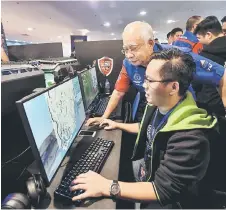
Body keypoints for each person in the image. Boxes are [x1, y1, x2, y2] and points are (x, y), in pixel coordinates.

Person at [71, 49, 225, 208]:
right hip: (150, 172)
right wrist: (117, 124)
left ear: (173, 87)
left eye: (150, 81)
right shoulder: (164, 105)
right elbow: (150, 128)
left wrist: (107, 186)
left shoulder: (190, 138)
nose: (144, 85)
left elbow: (162, 190)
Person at [86, 21, 226, 126]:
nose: (129, 55)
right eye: (125, 49)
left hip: (181, 119)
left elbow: (222, 75)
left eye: (133, 48)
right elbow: (118, 92)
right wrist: (104, 117)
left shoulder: (177, 57)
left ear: (151, 43)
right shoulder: (128, 64)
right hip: (154, 118)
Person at [193, 16, 226, 115]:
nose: (199, 42)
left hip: (213, 110)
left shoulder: (205, 57)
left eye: (199, 38)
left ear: (208, 35)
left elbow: (199, 86)